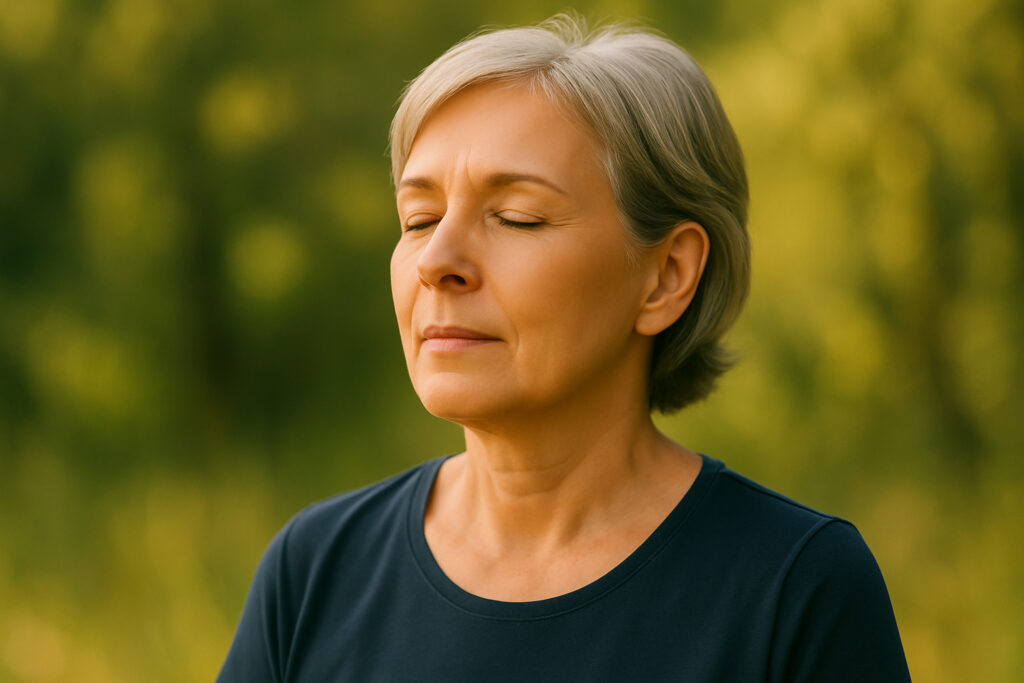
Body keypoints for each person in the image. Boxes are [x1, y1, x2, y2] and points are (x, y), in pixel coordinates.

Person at [217, 15, 910, 682]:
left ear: (666, 276)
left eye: (516, 217)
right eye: (419, 218)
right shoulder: (313, 574)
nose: (438, 260)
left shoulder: (797, 589)